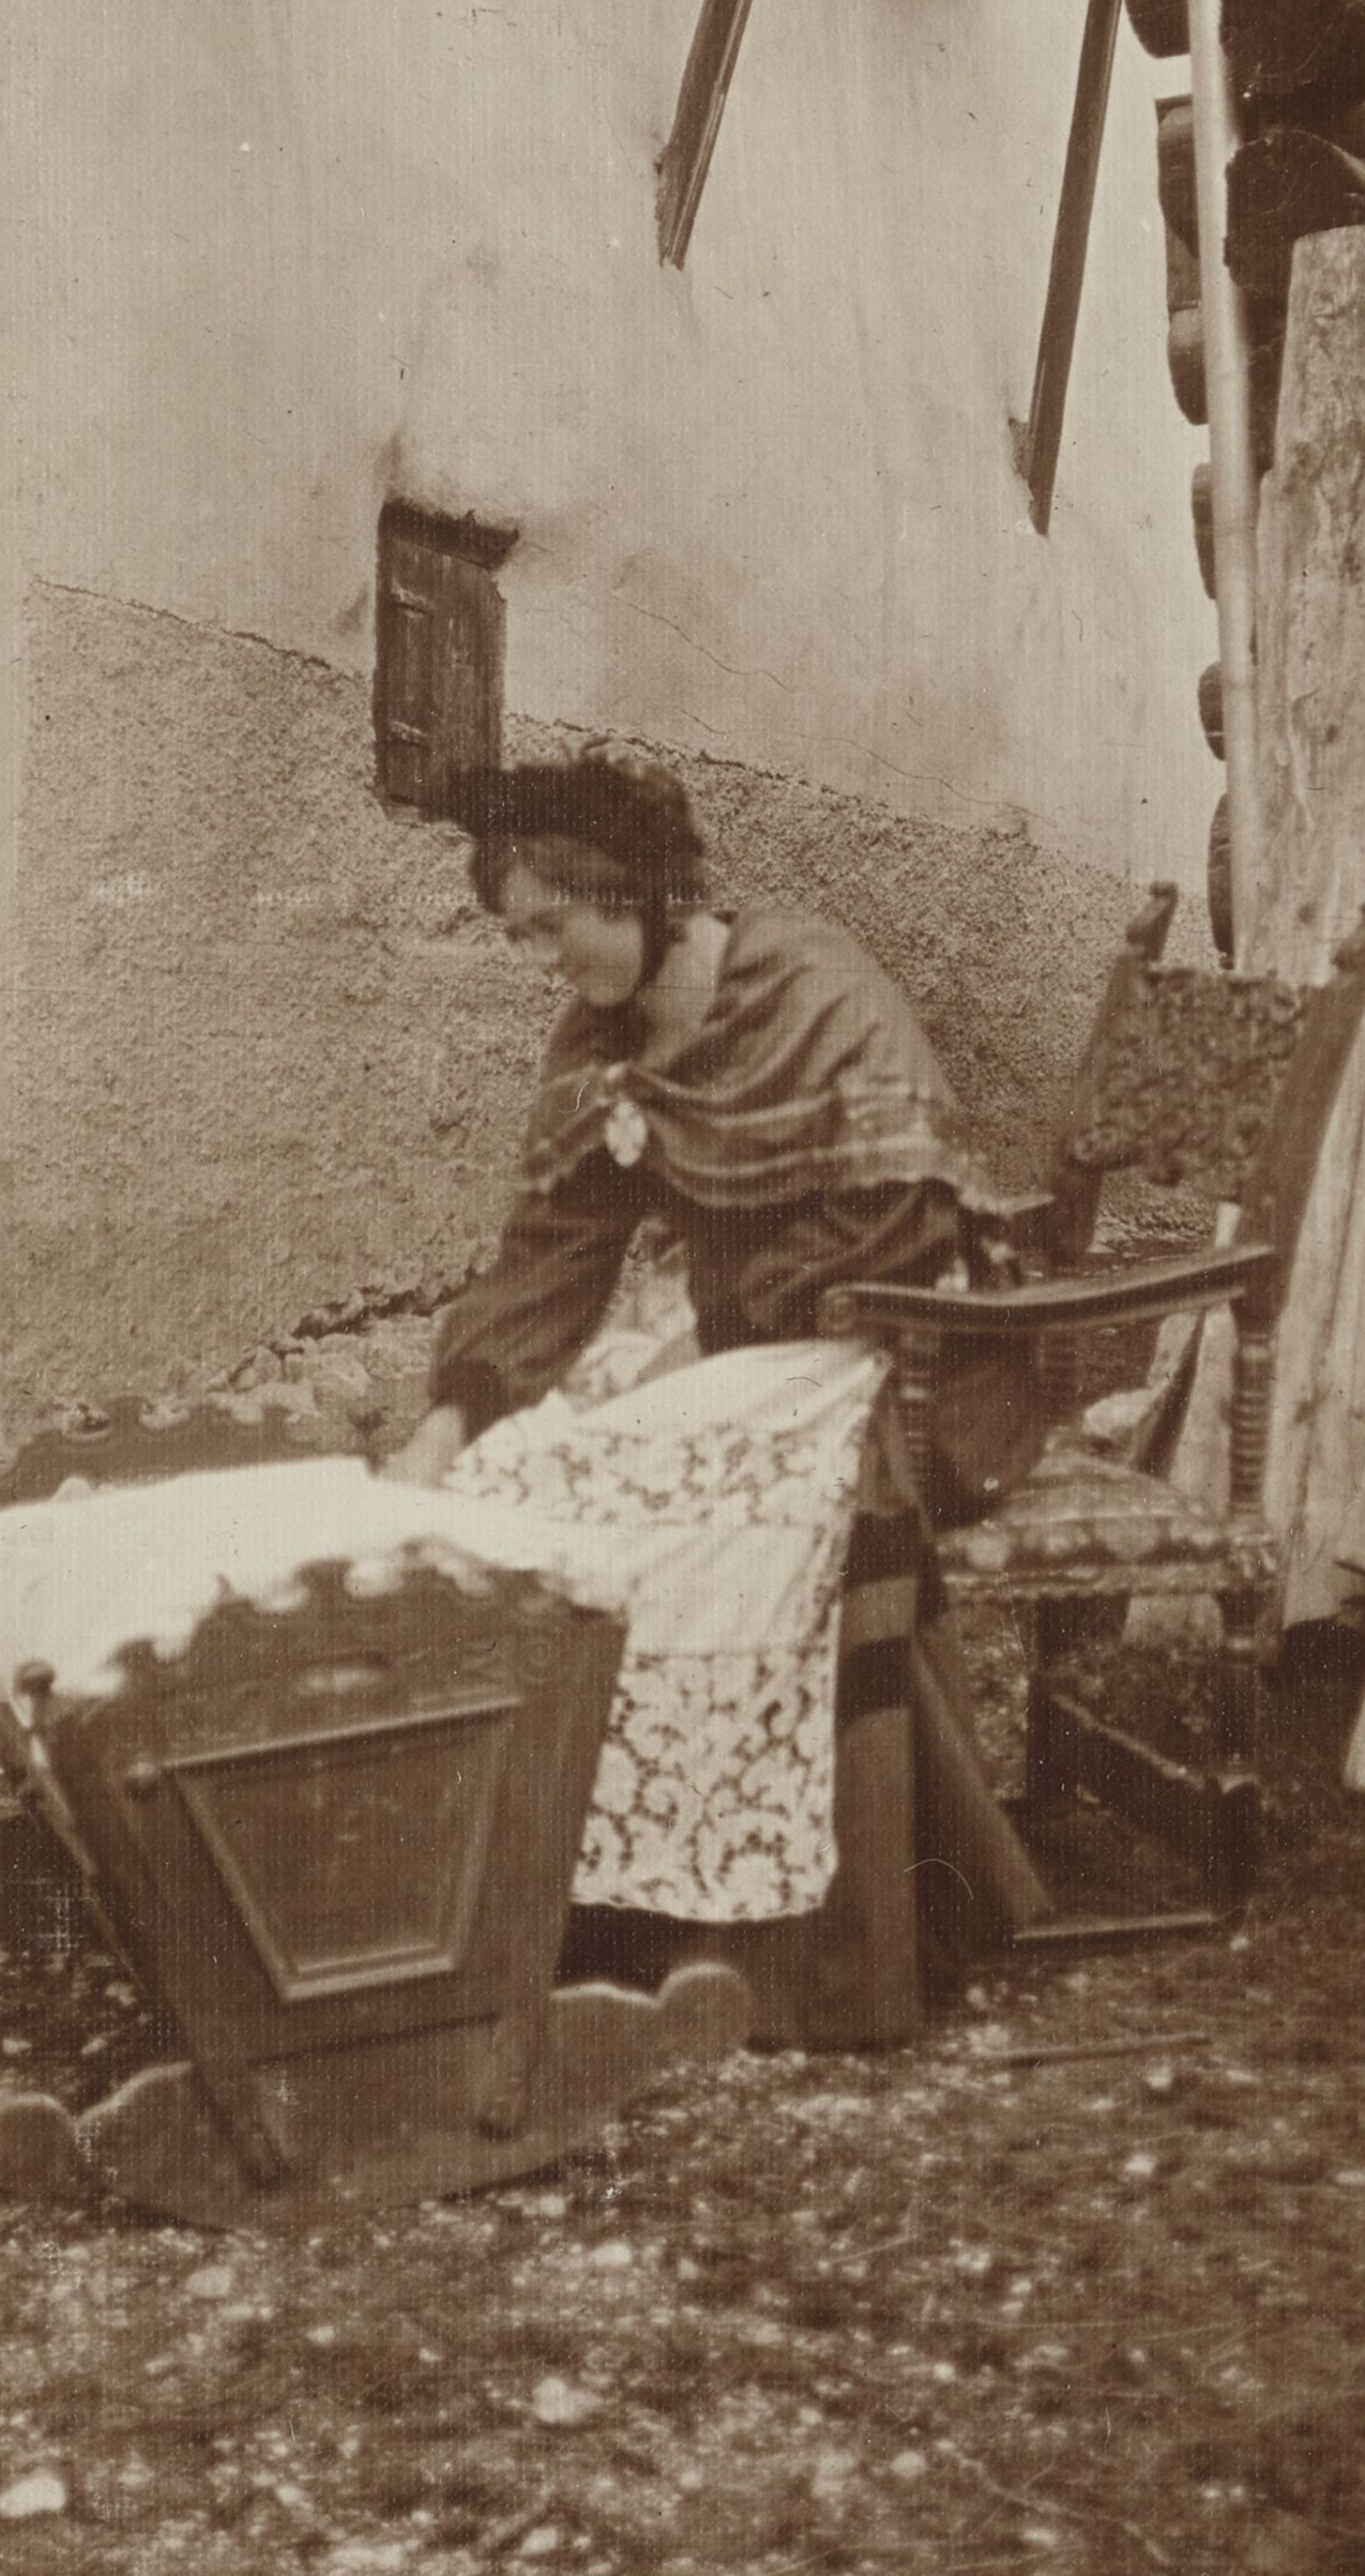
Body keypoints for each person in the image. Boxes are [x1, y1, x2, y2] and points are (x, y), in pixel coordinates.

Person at [387, 749, 1047, 2043]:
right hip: (751, 1346)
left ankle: (780, 1933)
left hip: (908, 1344)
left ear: (631, 890)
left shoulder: (811, 987)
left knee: (683, 1512)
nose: (541, 960)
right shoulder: (605, 1038)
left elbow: (904, 1217)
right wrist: (454, 1412)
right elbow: (554, 1251)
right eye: (519, 936)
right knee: (517, 1474)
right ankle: (595, 1898)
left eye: (551, 926)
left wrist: (713, 1332)